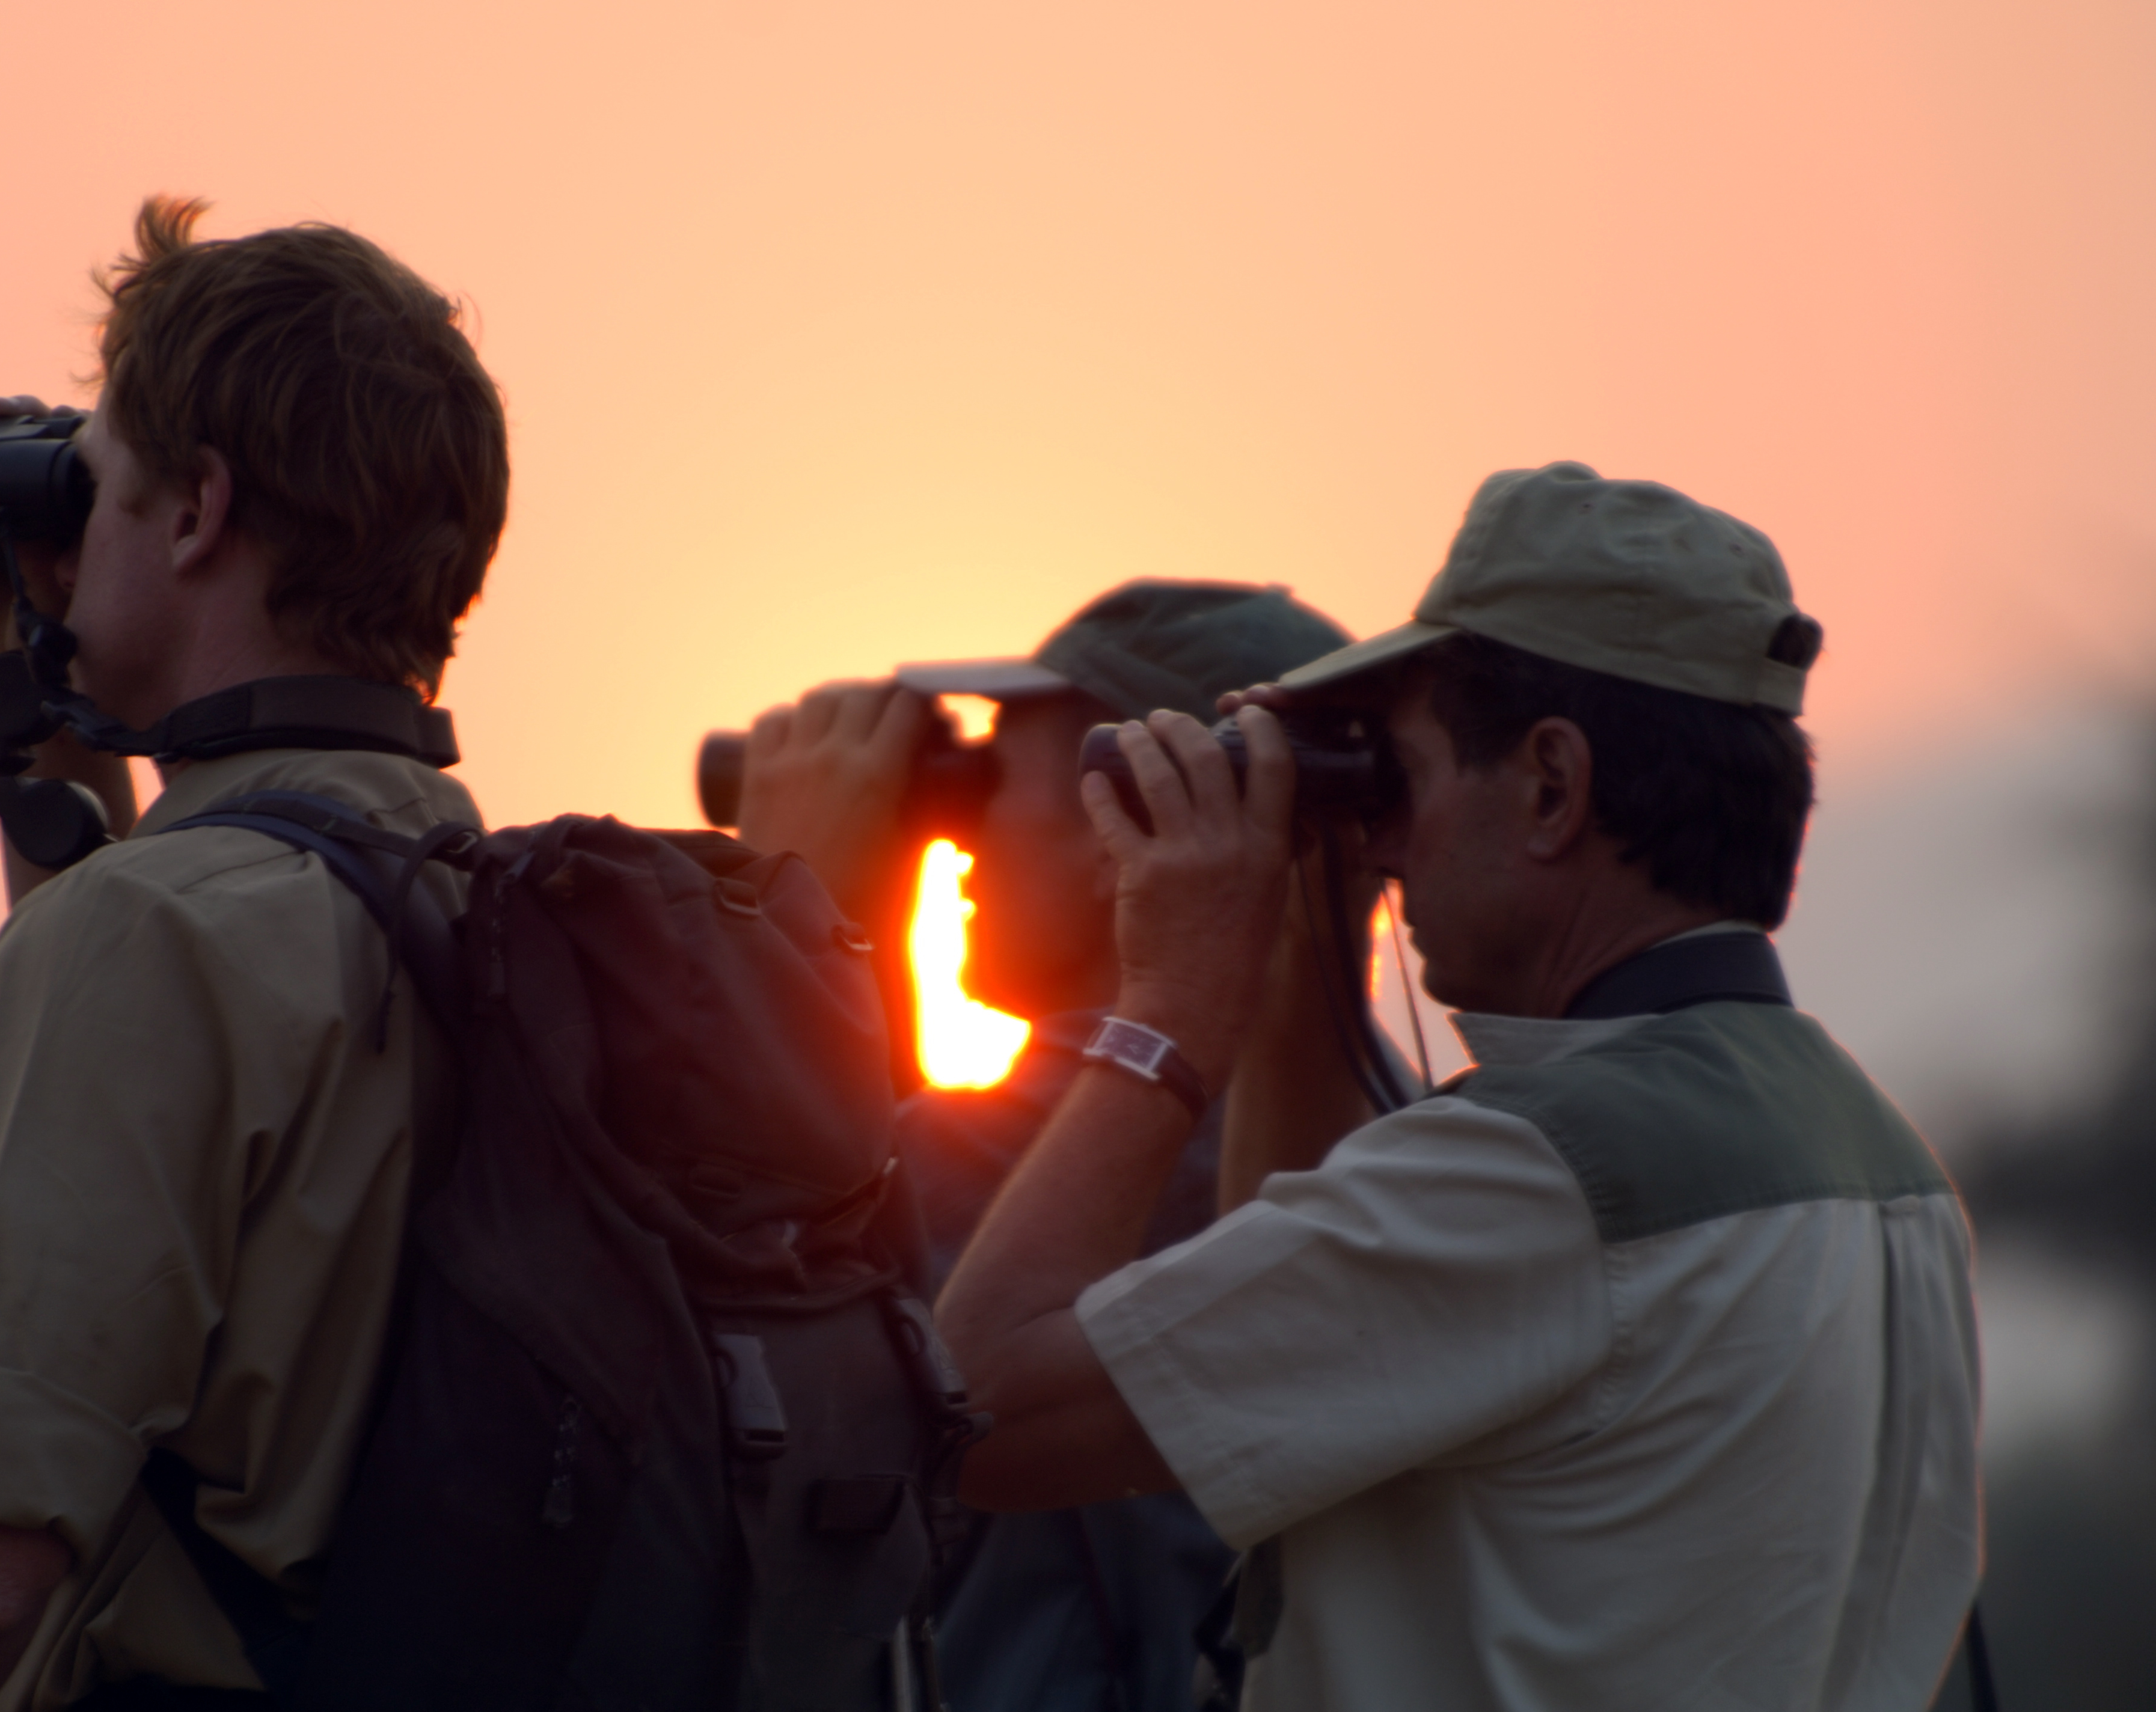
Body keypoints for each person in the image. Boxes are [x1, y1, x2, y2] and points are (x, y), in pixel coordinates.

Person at [935, 462, 1982, 1710]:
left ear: (1549, 785)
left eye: (1408, 777)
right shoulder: (1888, 1170)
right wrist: (1306, 938)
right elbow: (1277, 1310)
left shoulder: (1538, 1174)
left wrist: (1172, 1003)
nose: (1381, 838)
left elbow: (974, 1412)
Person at [0, 197, 509, 1712]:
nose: (74, 527)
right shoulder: (470, 902)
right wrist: (37, 676)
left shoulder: (155, 939)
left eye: (96, 483)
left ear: (197, 510)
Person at [733, 579, 1388, 1712]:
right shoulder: (1404, 1137)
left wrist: (801, 919)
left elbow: (749, 1306)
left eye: (989, 780)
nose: (954, 838)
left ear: (1127, 821)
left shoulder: (1024, 1148)